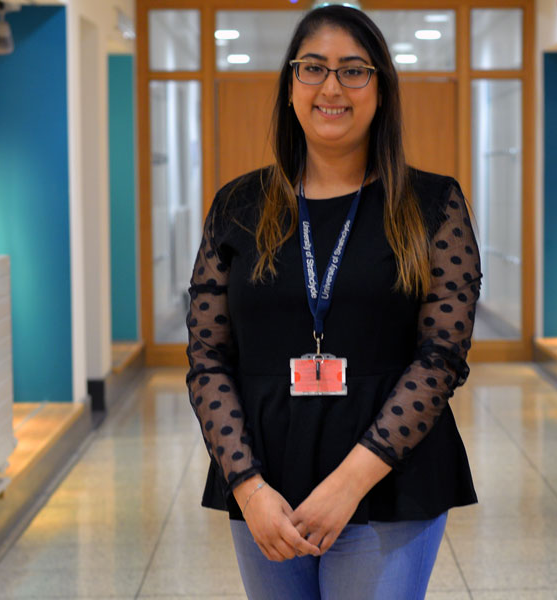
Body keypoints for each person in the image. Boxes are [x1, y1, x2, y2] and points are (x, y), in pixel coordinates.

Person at [184, 6, 480, 599]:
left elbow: (441, 357)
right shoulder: (238, 205)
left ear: (380, 89)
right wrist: (247, 485)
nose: (331, 88)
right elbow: (206, 358)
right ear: (291, 87)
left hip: (389, 481)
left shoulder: (432, 205)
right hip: (266, 485)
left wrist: (350, 483)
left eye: (353, 71)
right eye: (313, 68)